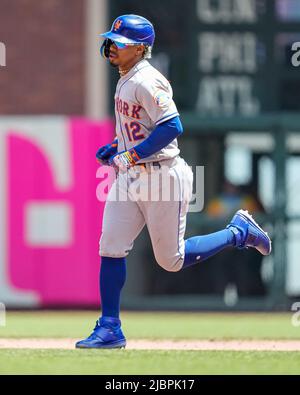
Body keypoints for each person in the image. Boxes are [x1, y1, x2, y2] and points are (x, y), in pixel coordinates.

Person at [76, 15, 271, 349]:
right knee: (110, 246)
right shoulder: (126, 77)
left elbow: (172, 127)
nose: (110, 46)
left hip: (162, 174)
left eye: (119, 42)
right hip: (131, 177)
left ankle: (238, 233)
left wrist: (132, 155)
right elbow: (142, 127)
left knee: (171, 260)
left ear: (139, 49)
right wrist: (118, 148)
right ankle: (110, 328)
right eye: (111, 39)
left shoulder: (148, 80)